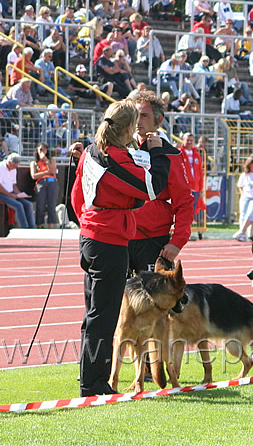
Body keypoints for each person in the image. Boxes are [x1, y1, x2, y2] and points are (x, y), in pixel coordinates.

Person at [70, 99, 170, 397]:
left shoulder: (92, 150)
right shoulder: (112, 158)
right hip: (108, 240)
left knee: (94, 313)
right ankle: (94, 384)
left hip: (92, 235)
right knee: (104, 314)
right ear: (127, 127)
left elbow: (80, 195)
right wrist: (157, 152)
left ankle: (89, 377)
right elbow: (153, 187)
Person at [128, 91, 194, 273]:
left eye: (144, 115)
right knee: (118, 299)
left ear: (159, 120)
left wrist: (177, 242)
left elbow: (184, 201)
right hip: (119, 237)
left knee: (156, 299)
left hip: (153, 240)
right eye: (135, 115)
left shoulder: (171, 155)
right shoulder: (120, 149)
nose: (138, 121)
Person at [0, 153, 35, 229]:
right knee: (19, 206)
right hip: (2, 194)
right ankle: (24, 228)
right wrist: (10, 195)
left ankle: (32, 228)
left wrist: (19, 193)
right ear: (9, 163)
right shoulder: (1, 167)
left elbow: (14, 184)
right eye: (14, 166)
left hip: (11, 193)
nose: (15, 168)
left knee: (29, 205)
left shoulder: (13, 169)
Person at [29, 143, 58, 229]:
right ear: (37, 151)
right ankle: (39, 225)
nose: (42, 151)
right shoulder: (34, 163)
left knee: (52, 204)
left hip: (52, 182)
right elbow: (34, 176)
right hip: (41, 183)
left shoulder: (51, 160)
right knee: (40, 204)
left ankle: (51, 225)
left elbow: (53, 171)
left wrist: (45, 160)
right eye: (40, 149)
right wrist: (46, 172)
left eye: (44, 149)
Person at [179, 132, 205, 213]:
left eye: (191, 140)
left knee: (192, 211)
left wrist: (200, 188)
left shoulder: (196, 154)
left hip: (195, 187)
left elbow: (200, 172)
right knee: (183, 210)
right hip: (184, 188)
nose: (189, 142)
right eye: (187, 140)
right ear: (183, 140)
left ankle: (189, 225)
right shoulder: (179, 153)